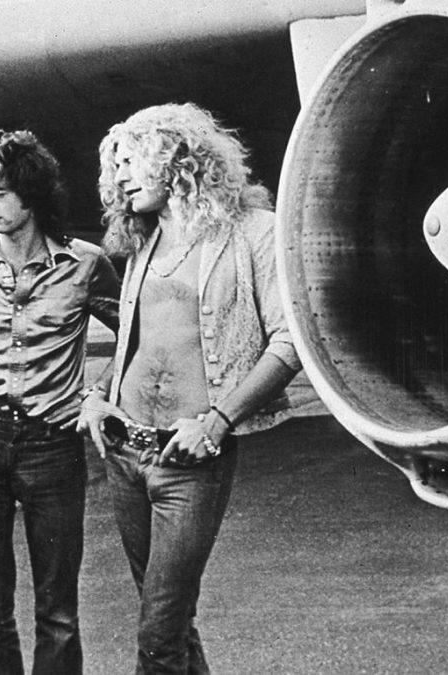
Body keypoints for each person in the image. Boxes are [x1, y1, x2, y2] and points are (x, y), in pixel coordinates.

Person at [79, 103, 303, 673]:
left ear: (175, 157)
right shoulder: (143, 242)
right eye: (115, 166)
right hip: (124, 451)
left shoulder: (253, 231)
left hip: (191, 459)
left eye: (130, 161)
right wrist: (97, 395)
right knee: (171, 621)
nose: (119, 177)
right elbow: (137, 342)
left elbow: (288, 341)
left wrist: (216, 421)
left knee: (158, 629)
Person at [0, 129, 120, 674]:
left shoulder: (85, 264)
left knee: (58, 608)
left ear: (31, 193)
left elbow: (133, 334)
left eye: (0, 190)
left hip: (52, 443)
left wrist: (95, 395)